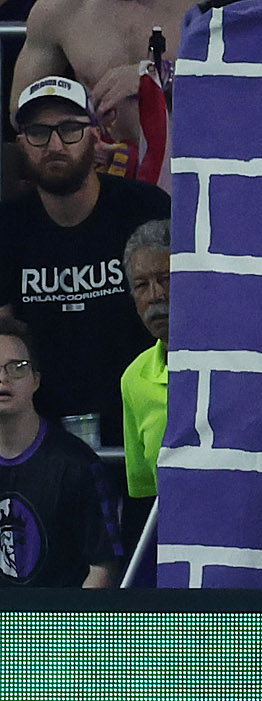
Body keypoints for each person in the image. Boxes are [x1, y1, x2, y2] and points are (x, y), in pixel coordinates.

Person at [0, 76, 170, 447]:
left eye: (70, 129)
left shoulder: (146, 209)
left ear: (96, 135)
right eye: (39, 132)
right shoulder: (7, 227)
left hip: (146, 420)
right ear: (21, 144)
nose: (55, 144)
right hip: (40, 439)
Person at [0, 314, 122, 587]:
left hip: (59, 624)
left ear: (36, 379)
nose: (3, 379)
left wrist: (68, 629)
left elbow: (104, 568)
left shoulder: (77, 465)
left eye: (17, 367)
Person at [10, 0, 194, 152]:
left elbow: (222, 92)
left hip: (197, 166)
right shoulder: (58, 10)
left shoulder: (206, 8)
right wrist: (74, 141)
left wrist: (162, 77)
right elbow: (21, 112)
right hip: (105, 175)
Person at [118, 216, 167, 577]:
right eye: (141, 285)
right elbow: (146, 494)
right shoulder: (134, 379)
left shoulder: (236, 365)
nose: (156, 296)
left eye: (166, 279)